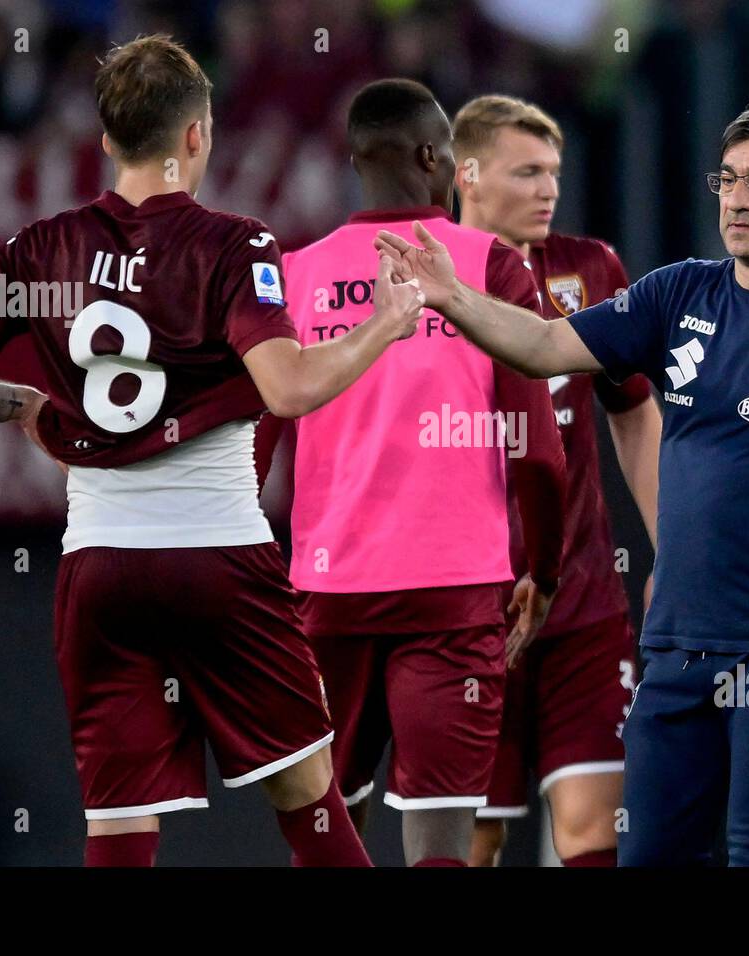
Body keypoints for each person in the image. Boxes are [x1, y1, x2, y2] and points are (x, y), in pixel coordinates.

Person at [375, 99, 749, 866]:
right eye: (727, 179)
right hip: (680, 646)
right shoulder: (677, 293)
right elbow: (541, 343)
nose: (737, 198)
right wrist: (453, 296)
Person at [0, 35, 426, 867]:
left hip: (99, 566)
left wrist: (23, 406)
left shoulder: (40, 248)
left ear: (105, 139)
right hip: (217, 556)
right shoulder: (234, 244)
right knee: (307, 798)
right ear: (197, 135)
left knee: (120, 823)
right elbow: (288, 388)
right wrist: (386, 325)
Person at [282, 79, 567, 867]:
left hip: (327, 592)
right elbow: (537, 449)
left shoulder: (295, 273)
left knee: (323, 834)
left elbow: (255, 445)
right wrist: (543, 570)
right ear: (434, 157)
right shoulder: (487, 264)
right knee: (442, 843)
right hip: (454, 594)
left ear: (353, 159)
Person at [450, 94, 660, 868]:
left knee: (593, 826)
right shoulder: (419, 277)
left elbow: (634, 411)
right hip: (466, 607)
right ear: (465, 174)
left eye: (555, 173)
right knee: (475, 838)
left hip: (582, 602)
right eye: (527, 171)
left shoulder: (589, 268)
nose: (548, 190)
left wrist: (669, 550)